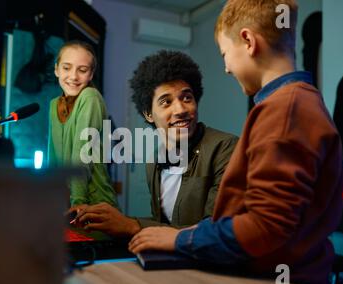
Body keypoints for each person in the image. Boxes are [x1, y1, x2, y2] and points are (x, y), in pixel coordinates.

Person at [129, 0, 343, 284]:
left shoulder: (286, 110)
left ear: (248, 41)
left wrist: (178, 239)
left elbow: (264, 227)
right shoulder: (291, 104)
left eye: (225, 54)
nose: (227, 68)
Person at [71, 50, 238, 237]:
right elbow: (163, 225)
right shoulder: (154, 162)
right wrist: (108, 219)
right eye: (166, 102)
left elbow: (216, 232)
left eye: (187, 98)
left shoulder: (226, 148)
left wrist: (131, 225)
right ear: (148, 114)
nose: (181, 109)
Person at [48, 40, 117, 207]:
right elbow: (53, 158)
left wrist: (77, 203)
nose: (73, 76)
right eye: (66, 67)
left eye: (82, 70)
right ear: (56, 69)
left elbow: (82, 155)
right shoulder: (53, 104)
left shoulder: (90, 97)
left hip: (92, 204)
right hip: (65, 202)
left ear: (91, 74)